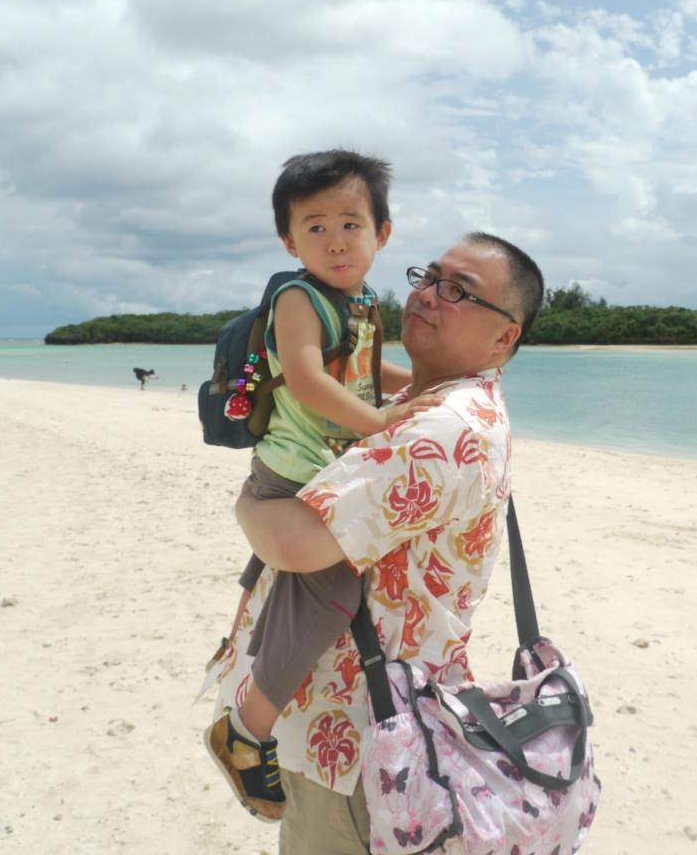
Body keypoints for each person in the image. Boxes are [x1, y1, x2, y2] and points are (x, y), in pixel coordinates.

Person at [231, 233, 543, 855]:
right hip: (369, 714)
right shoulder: (423, 401)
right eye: (428, 277)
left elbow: (295, 544)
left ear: (504, 337)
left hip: (356, 732)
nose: (427, 295)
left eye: (458, 291)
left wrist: (248, 502)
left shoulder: (444, 428)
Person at [205, 150, 441, 822]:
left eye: (350, 224)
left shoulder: (357, 301)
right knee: (333, 589)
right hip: (294, 470)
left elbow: (362, 368)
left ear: (381, 233)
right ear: (289, 241)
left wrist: (425, 386)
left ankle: (241, 664)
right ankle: (244, 730)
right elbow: (309, 380)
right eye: (315, 227)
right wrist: (386, 424)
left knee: (294, 578)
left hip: (323, 465)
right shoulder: (298, 299)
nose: (335, 241)